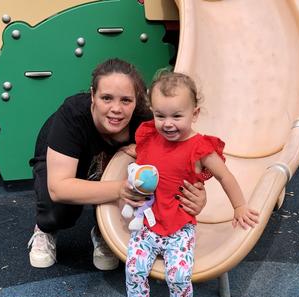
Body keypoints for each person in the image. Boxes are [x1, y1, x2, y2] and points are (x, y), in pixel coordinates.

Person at [112, 72, 259, 297]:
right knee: (134, 268)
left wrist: (239, 206)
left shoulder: (199, 147)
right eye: (160, 115)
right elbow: (143, 157)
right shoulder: (148, 136)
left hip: (179, 226)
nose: (167, 124)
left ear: (195, 113)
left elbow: (226, 177)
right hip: (148, 223)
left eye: (177, 116)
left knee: (178, 274)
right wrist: (132, 154)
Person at [27, 59, 207, 270]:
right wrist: (121, 189)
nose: (116, 109)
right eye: (106, 98)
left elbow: (181, 161)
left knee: (147, 183)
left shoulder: (149, 121)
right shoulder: (73, 115)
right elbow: (59, 188)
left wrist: (198, 195)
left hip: (108, 166)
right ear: (93, 95)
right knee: (58, 209)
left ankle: (102, 230)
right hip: (69, 161)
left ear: (137, 100)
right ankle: (45, 229)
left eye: (126, 101)